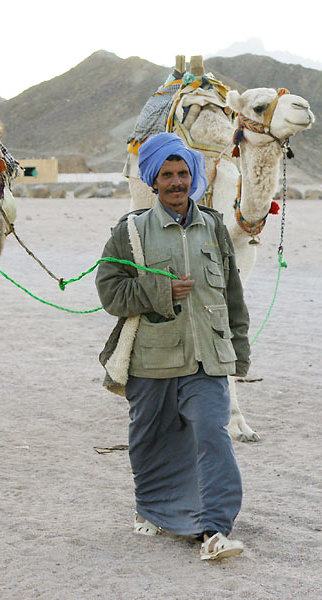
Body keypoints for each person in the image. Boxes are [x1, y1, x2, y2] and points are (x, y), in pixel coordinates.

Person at [95, 132, 251, 561]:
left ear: (193, 177)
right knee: (150, 440)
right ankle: (151, 509)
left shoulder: (215, 226)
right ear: (153, 180)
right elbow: (109, 293)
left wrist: (239, 349)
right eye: (167, 174)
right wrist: (159, 290)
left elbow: (232, 294)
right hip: (153, 359)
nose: (176, 182)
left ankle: (215, 528)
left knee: (212, 432)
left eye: (183, 173)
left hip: (207, 356)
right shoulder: (130, 231)